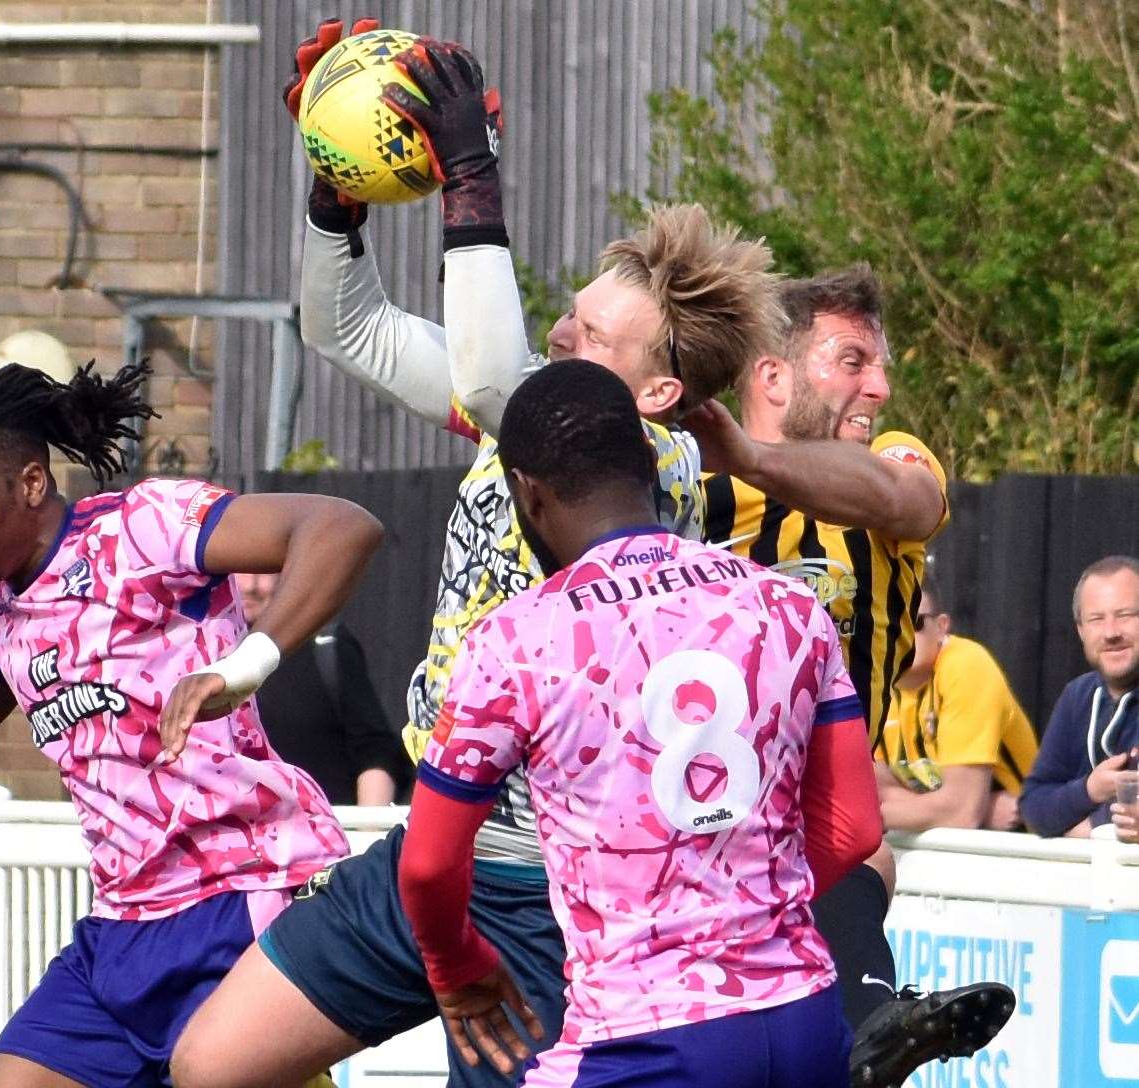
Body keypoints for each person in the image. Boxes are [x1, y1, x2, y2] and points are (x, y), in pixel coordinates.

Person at [170, 23, 786, 1088]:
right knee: (213, 1062)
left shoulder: (659, 464)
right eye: (567, 316)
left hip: (559, 890)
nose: (558, 335)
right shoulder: (524, 420)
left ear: (656, 394)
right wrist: (336, 192)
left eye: (590, 338)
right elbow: (345, 329)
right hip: (439, 855)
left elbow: (498, 376)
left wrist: (468, 179)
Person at [0, 360, 384, 1088]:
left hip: (242, 905)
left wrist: (243, 665)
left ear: (28, 483)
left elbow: (341, 526)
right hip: (120, 933)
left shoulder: (138, 530)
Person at [399, 359, 883, 1087]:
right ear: (650, 465)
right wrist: (744, 918)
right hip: (803, 1018)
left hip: (641, 1035)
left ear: (528, 492)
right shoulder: (786, 606)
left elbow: (429, 864)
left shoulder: (518, 641)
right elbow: (854, 828)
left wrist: (455, 964)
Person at [689, 265, 1016, 1079]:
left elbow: (901, 499)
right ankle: (874, 1024)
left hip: (819, 833)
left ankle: (875, 1026)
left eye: (881, 364)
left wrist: (756, 460)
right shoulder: (687, 482)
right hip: (686, 836)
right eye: (850, 362)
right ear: (773, 373)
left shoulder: (895, 458)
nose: (878, 386)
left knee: (863, 856)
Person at [876, 575, 1038, 831]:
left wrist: (864, 820)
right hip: (950, 844)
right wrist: (979, 808)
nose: (901, 638)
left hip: (1023, 845)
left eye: (914, 623)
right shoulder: (872, 685)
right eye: (887, 625)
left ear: (941, 627)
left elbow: (961, 815)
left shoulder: (966, 665)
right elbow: (876, 792)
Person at [233, 571, 409, 805]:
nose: (250, 585)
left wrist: (367, 835)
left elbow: (376, 753)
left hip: (325, 832)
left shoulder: (325, 646)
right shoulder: (192, 652)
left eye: (264, 570)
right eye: (240, 568)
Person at [1019, 555, 1139, 839]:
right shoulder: (1077, 696)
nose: (1111, 633)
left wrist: (1085, 827)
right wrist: (1090, 789)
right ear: (1081, 630)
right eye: (1096, 619)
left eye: (1125, 615)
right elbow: (1034, 809)